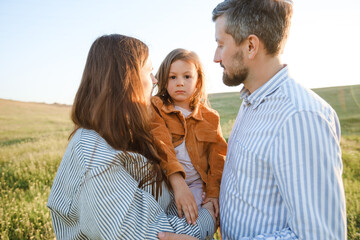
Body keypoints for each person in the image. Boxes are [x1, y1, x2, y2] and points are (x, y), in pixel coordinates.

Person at [159, 0, 347, 239]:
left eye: (220, 45)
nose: (216, 57)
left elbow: (320, 235)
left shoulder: (299, 116)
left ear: (250, 46)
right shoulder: (251, 103)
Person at [47, 34, 216, 240]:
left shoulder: (125, 136)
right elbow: (155, 235)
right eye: (149, 72)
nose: (155, 81)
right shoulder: (95, 155)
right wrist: (210, 214)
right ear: (126, 80)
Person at [150, 48, 227, 225]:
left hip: (197, 185)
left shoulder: (210, 117)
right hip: (166, 181)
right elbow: (161, 144)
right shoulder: (157, 107)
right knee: (164, 222)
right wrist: (178, 183)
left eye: (187, 77)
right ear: (164, 79)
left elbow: (218, 158)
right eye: (173, 77)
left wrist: (213, 192)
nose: (179, 83)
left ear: (198, 81)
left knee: (193, 219)